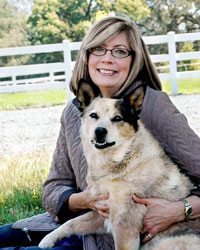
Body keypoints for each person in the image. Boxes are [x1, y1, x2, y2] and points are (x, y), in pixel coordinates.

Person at [0, 15, 200, 249]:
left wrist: (179, 210)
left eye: (120, 51)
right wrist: (84, 200)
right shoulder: (74, 112)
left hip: (119, 240)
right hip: (80, 224)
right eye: (99, 49)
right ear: (87, 55)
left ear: (134, 60)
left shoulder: (152, 105)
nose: (108, 59)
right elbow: (54, 188)